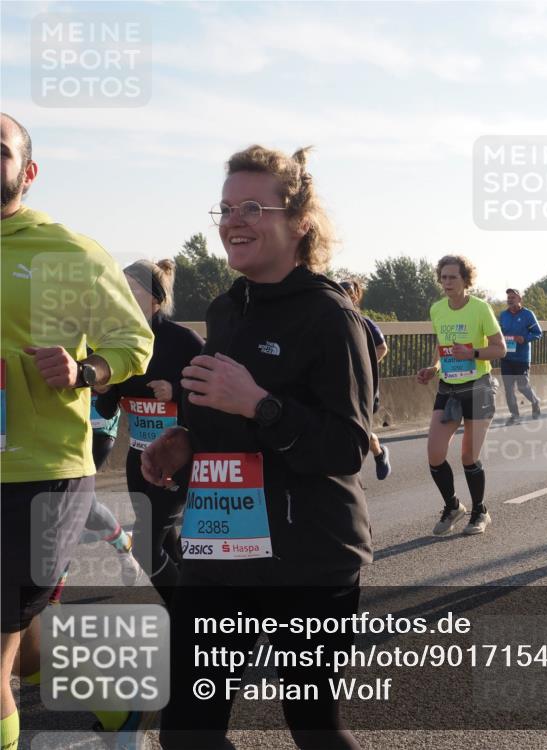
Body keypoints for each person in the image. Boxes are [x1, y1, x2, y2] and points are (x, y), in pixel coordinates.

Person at [142, 144, 376, 749]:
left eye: (251, 206)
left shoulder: (330, 316)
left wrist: (259, 404)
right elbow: (229, 426)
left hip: (307, 561)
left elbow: (349, 446)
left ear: (299, 222)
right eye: (224, 208)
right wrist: (185, 441)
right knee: (187, 733)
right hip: (219, 552)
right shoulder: (227, 310)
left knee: (314, 728)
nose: (232, 221)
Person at [1, 112, 153, 750]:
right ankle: (117, 707)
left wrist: (85, 369)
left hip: (40, 472)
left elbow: (133, 343)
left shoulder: (68, 253)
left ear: (27, 173)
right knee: (28, 647)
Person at [94, 259, 205, 603]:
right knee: (165, 541)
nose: (123, 295)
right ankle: (200, 611)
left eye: (133, 290)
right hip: (138, 458)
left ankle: (187, 617)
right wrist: (101, 387)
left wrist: (176, 390)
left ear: (156, 300)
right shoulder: (118, 341)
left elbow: (212, 399)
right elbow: (108, 406)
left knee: (143, 544)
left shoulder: (183, 341)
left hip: (175, 459)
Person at [417, 256, 505, 536]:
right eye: (443, 277)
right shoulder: (437, 309)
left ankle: (480, 510)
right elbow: (443, 348)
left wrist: (473, 354)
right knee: (434, 453)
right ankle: (453, 505)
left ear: (466, 280)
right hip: (448, 388)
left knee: (468, 455)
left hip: (477, 388)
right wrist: (434, 367)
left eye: (453, 277)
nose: (447, 283)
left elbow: (500, 349)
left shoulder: (480, 309)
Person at [49, 395, 140, 604]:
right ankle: (123, 542)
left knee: (65, 510)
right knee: (85, 509)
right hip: (57, 429)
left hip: (97, 427)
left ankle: (52, 598)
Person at [340, 279, 391, 479]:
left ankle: (379, 454)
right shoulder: (330, 320)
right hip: (340, 384)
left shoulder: (365, 322)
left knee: (360, 427)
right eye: (340, 290)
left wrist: (364, 367)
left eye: (349, 292)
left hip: (363, 385)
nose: (345, 295)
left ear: (355, 296)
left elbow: (382, 347)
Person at [499, 288, 543, 425]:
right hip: (506, 358)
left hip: (522, 358)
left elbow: (538, 333)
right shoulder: (503, 315)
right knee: (508, 389)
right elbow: (499, 333)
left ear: (519, 299)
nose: (510, 299)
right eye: (508, 297)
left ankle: (535, 401)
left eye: (513, 297)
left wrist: (524, 338)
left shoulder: (528, 314)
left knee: (522, 386)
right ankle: (514, 415)